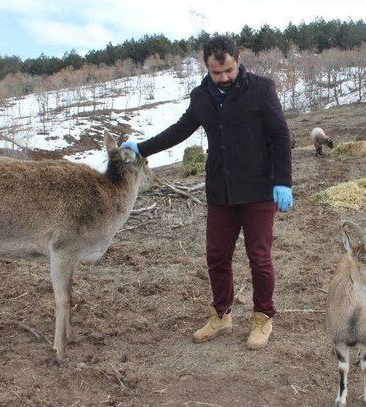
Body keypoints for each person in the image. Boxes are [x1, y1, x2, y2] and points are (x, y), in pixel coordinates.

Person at [120, 35, 292, 350]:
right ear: (207, 68)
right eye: (217, 73)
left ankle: (263, 317)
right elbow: (180, 129)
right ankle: (221, 315)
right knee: (216, 256)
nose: (224, 77)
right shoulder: (201, 97)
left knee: (259, 257)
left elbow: (281, 136)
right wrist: (142, 148)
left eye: (228, 70)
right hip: (221, 189)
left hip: (258, 189)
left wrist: (283, 180)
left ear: (238, 61)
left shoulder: (262, 89)